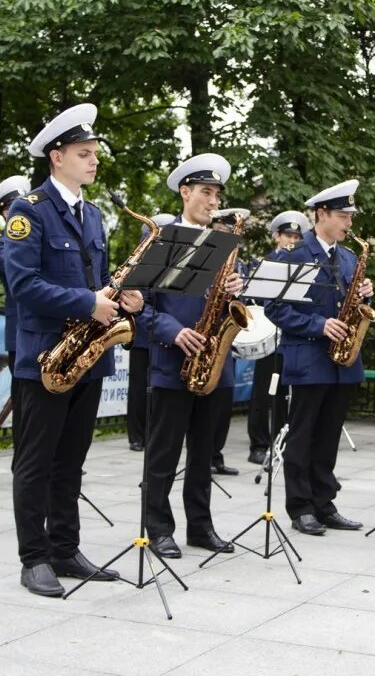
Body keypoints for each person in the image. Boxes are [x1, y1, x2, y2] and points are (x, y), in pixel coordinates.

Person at [5, 103, 143, 597]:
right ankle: (33, 558)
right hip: (46, 357)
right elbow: (23, 284)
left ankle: (65, 549)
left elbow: (95, 281)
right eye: (84, 154)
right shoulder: (29, 211)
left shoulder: (91, 215)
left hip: (87, 356)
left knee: (71, 462)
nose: (93, 161)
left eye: (95, 154)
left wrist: (123, 297)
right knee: (35, 462)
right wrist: (89, 302)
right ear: (56, 157)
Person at [143, 153, 242, 559]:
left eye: (217, 194)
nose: (213, 201)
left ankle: (201, 527)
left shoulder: (224, 244)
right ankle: (159, 529)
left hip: (215, 362)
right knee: (163, 453)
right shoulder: (160, 240)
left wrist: (237, 289)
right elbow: (139, 305)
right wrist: (173, 331)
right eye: (205, 192)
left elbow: (233, 305)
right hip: (172, 360)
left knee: (204, 454)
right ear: (185, 192)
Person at [266, 180, 371, 535]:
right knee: (303, 434)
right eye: (342, 215)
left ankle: (324, 504)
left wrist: (364, 299)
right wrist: (319, 325)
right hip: (310, 357)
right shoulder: (294, 255)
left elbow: (351, 306)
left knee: (327, 436)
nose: (348, 223)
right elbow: (276, 308)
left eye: (350, 216)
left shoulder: (349, 257)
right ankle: (300, 507)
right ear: (320, 214)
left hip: (341, 362)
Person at [245, 210, 308, 465]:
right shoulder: (266, 264)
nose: (291, 240)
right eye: (286, 235)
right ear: (276, 237)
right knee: (263, 392)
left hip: (290, 338)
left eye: (295, 236)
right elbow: (256, 300)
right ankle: (258, 444)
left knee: (284, 393)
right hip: (269, 335)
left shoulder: (302, 266)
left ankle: (280, 441)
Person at [0, 175, 32, 462]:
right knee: (24, 399)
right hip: (19, 332)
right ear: (5, 212)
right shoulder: (0, 242)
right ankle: (23, 459)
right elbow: (14, 272)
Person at [207, 206, 252, 476]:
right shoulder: (207, 255)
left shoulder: (239, 263)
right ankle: (203, 455)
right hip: (204, 336)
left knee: (224, 402)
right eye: (222, 225)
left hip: (226, 341)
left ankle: (216, 454)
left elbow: (242, 304)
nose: (226, 231)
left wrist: (238, 292)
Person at [126, 213, 174, 452]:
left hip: (160, 336)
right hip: (142, 336)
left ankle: (152, 432)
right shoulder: (137, 264)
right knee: (138, 388)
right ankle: (136, 435)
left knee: (157, 390)